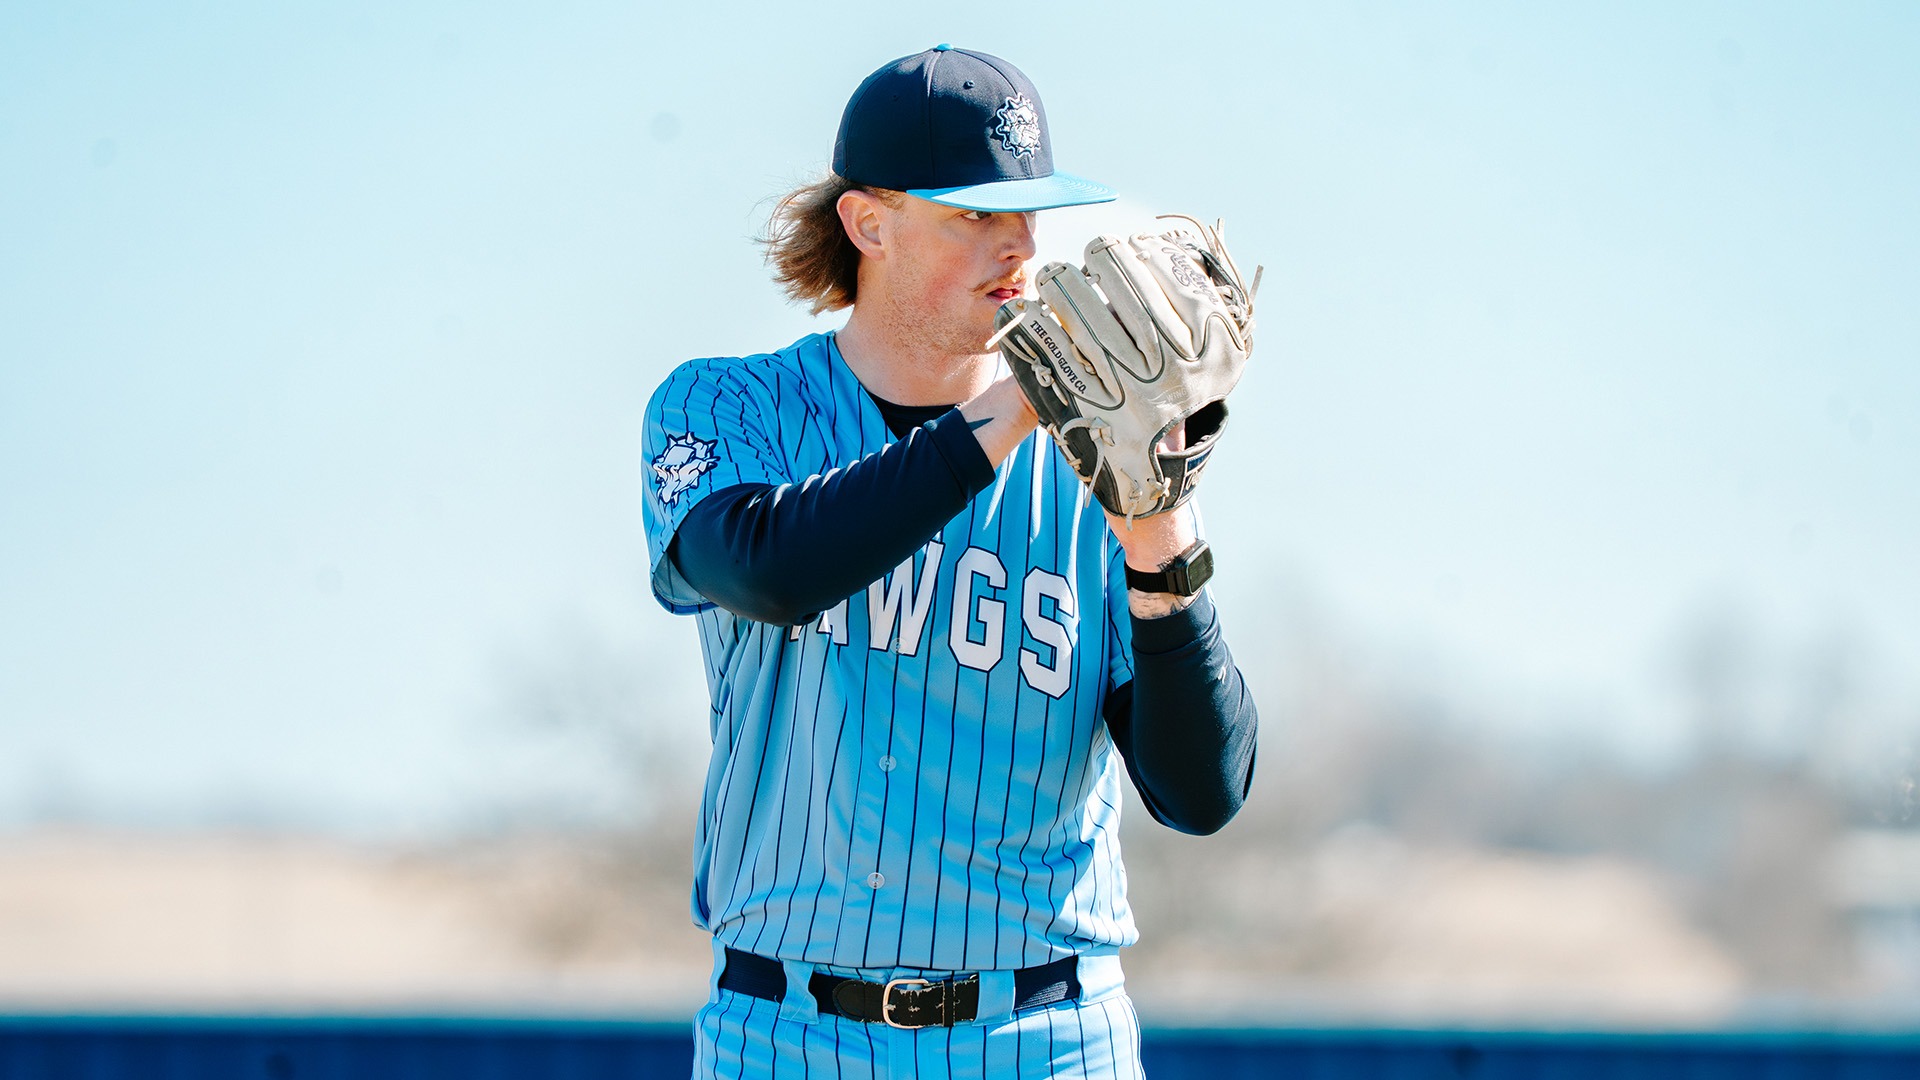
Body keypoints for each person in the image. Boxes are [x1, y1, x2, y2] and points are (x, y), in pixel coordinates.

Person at [640, 44, 1258, 1080]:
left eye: (1030, 213)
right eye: (976, 212)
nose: (1020, 244)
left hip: (1046, 1035)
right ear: (868, 224)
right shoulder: (729, 407)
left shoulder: (1093, 460)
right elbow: (769, 569)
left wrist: (1159, 525)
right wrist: (1022, 397)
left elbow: (1201, 794)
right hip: (785, 1034)